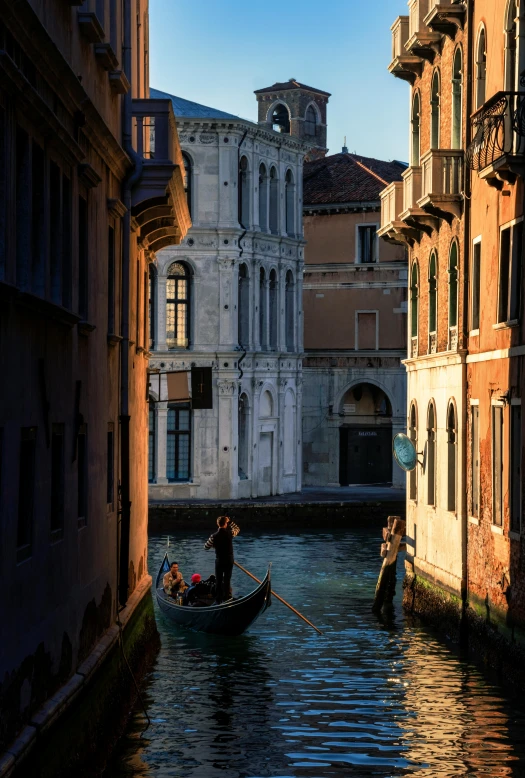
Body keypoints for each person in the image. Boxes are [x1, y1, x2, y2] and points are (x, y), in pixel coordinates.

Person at [204, 515, 240, 603]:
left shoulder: (214, 536)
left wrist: (214, 545)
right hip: (229, 560)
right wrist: (230, 522)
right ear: (225, 524)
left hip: (219, 560)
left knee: (219, 580)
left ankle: (218, 599)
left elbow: (206, 547)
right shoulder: (230, 533)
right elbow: (237, 529)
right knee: (227, 579)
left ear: (217, 524)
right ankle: (226, 598)